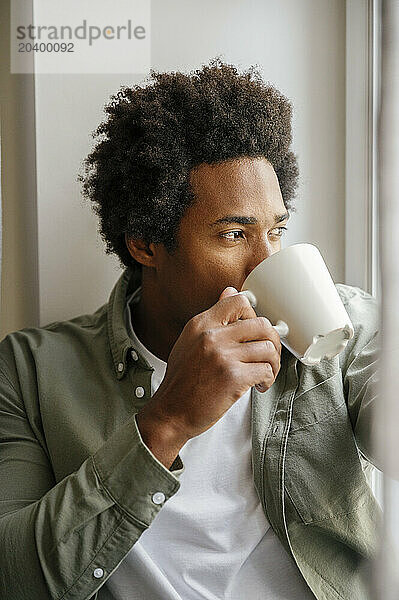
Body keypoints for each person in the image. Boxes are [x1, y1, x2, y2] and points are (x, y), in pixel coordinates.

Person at [0, 59, 382, 600]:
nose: (266, 259)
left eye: (276, 230)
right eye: (232, 234)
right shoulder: (32, 370)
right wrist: (166, 422)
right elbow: (13, 578)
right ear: (145, 244)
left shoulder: (342, 326)